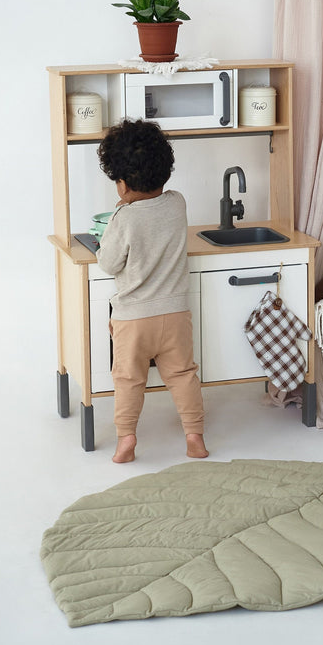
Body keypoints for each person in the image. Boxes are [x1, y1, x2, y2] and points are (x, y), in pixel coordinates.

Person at [96, 118, 208, 464]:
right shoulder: (178, 203)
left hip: (133, 319)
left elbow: (109, 263)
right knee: (183, 375)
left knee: (128, 379)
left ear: (122, 184)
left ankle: (126, 439)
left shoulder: (123, 218)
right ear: (164, 172)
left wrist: (115, 220)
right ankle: (194, 436)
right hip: (175, 315)